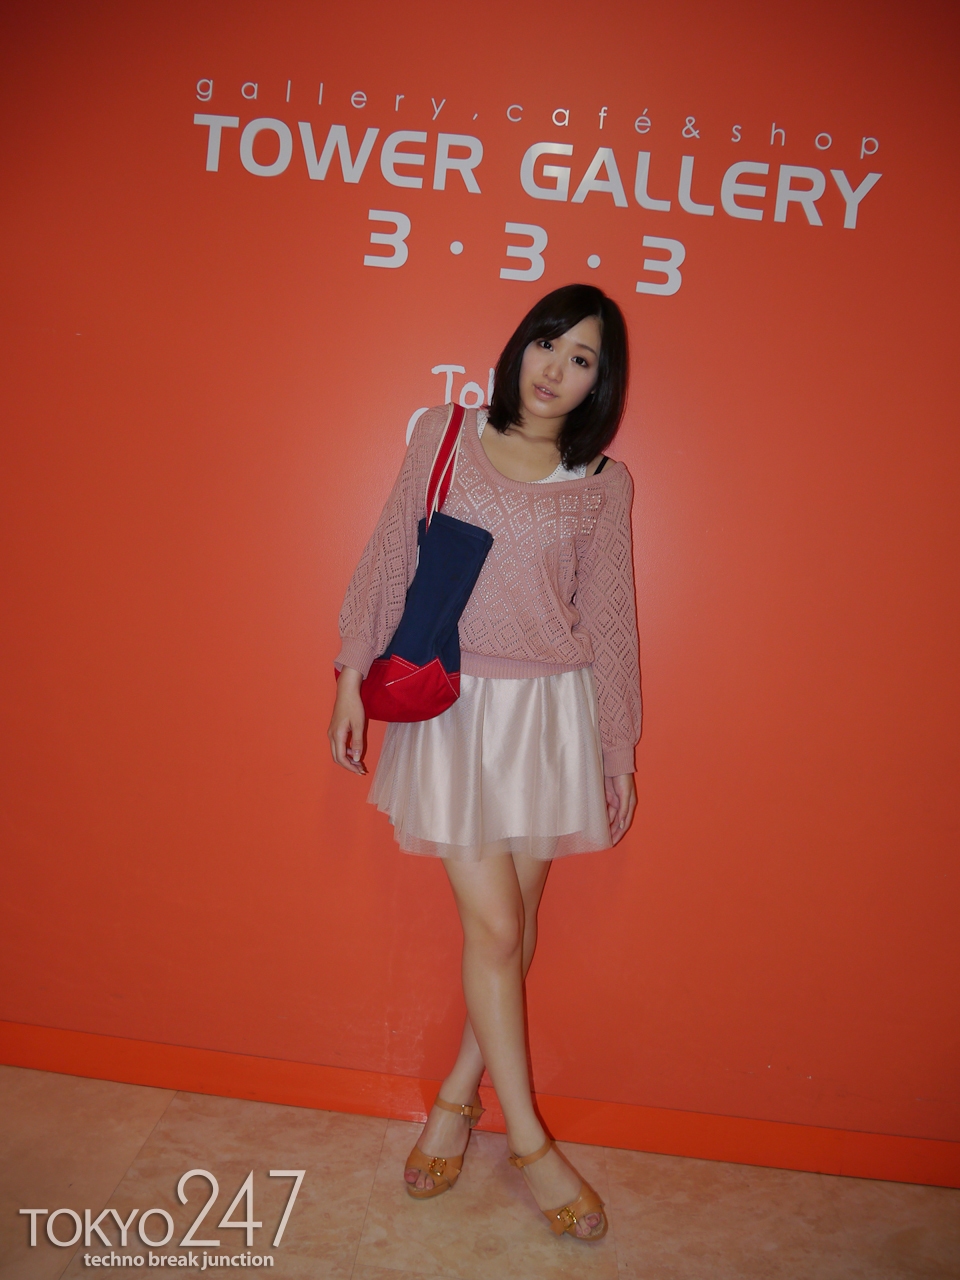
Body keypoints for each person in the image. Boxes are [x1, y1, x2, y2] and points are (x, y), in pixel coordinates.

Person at [328, 283, 641, 1242]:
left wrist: (616, 747)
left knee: (515, 928)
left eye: (582, 358)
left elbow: (611, 620)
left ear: (598, 383)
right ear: (519, 348)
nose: (557, 368)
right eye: (548, 343)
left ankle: (456, 1102)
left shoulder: (602, 482)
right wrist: (350, 673)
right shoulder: (445, 434)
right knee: (498, 929)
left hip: (551, 717)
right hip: (456, 708)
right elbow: (389, 556)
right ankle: (535, 1149)